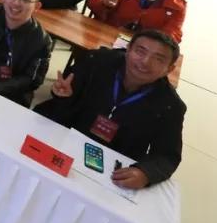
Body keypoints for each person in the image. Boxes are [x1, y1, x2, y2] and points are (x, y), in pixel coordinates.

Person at [34, 29, 185, 189]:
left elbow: (167, 155)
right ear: (128, 50)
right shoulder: (97, 61)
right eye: (140, 51)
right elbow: (63, 98)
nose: (145, 62)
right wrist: (62, 95)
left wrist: (145, 173)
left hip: (111, 165)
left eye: (158, 59)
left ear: (169, 69)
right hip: (67, 137)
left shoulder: (171, 105)